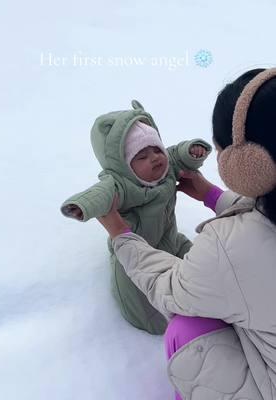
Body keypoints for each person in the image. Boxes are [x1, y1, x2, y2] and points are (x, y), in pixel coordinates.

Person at [96, 68, 276, 399]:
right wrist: (212, 195)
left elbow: (171, 288)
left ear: (249, 163)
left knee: (186, 327)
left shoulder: (231, 249)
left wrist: (121, 234)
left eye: (223, 149)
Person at [60, 100, 212, 335]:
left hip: (170, 240)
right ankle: (160, 323)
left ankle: (207, 299)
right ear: (123, 164)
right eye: (141, 156)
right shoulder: (120, 184)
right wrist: (84, 206)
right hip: (133, 255)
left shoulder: (166, 167)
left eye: (156, 149)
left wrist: (192, 152)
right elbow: (100, 193)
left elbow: (177, 155)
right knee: (143, 300)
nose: (155, 158)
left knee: (202, 270)